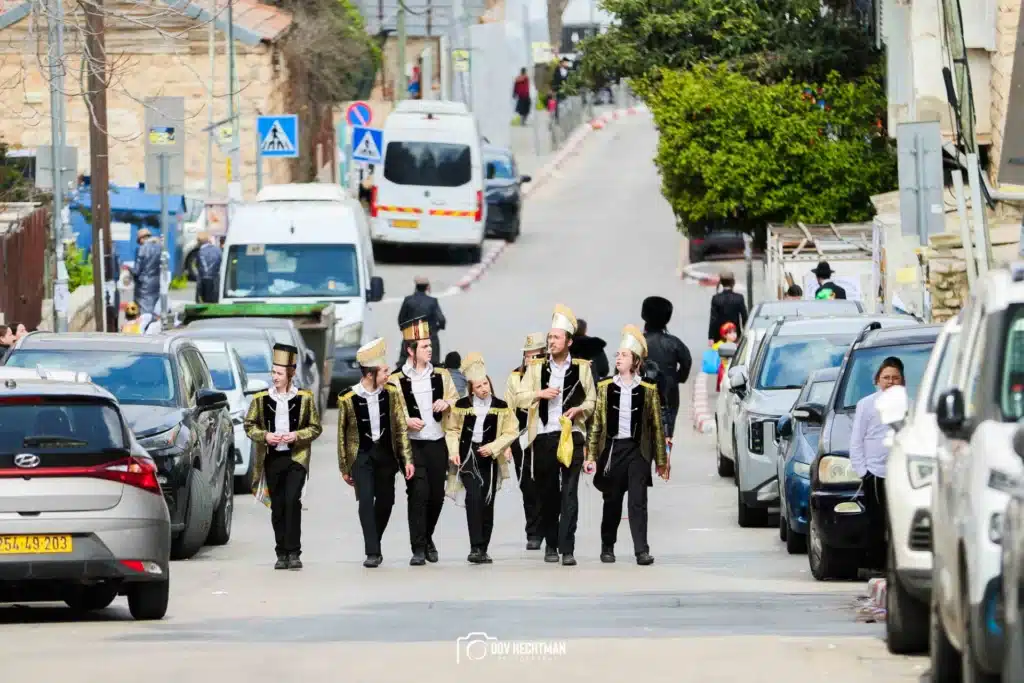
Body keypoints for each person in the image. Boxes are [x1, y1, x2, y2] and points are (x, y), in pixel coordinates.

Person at [515, 304, 597, 566]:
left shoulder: (583, 368)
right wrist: (539, 394)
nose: (551, 341)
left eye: (556, 337)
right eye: (549, 337)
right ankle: (551, 543)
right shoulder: (537, 368)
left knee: (569, 493)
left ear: (569, 342)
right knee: (548, 493)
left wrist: (578, 409)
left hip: (572, 435)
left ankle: (567, 547)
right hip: (544, 436)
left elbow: (593, 401)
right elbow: (519, 398)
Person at [587, 325, 669, 566]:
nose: (619, 358)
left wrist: (662, 461)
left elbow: (656, 427)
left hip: (638, 453)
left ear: (635, 362)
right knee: (612, 501)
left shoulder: (648, 390)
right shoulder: (604, 387)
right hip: (613, 451)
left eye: (624, 355)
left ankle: (641, 550)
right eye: (618, 355)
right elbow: (597, 425)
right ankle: (607, 545)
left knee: (638, 501)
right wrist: (592, 455)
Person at [244, 344, 324, 570]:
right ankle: (281, 552)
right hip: (271, 459)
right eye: (273, 372)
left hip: (295, 458)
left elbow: (315, 428)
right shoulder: (260, 399)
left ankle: (294, 552)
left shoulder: (305, 398)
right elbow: (250, 426)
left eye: (279, 373)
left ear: (290, 373)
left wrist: (296, 436)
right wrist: (266, 436)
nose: (275, 377)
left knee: (292, 502)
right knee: (278, 505)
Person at [337, 338, 415, 568]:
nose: (388, 374)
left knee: (386, 501)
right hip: (361, 455)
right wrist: (344, 467)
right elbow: (342, 435)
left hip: (386, 455)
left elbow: (401, 427)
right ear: (370, 374)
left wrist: (407, 459)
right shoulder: (348, 398)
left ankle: (375, 540)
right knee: (365, 502)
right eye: (384, 370)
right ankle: (372, 551)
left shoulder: (391, 392)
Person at [389, 316, 458, 565]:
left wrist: (446, 402)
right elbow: (391, 411)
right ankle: (418, 548)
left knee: (436, 496)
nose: (430, 349)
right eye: (425, 346)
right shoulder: (396, 379)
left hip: (437, 440)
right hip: (412, 445)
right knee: (418, 492)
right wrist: (406, 421)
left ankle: (427, 537)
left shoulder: (441, 374)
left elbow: (456, 400)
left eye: (430, 345)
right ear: (410, 350)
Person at [446, 353, 518, 564]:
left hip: (490, 458)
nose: (483, 389)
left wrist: (495, 447)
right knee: (474, 497)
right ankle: (475, 546)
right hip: (469, 455)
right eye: (478, 386)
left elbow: (511, 431)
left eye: (485, 384)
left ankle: (483, 547)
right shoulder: (462, 405)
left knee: (487, 500)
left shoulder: (501, 406)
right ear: (472, 388)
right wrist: (454, 451)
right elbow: (452, 430)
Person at [850, 356, 903, 568]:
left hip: (898, 473)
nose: (890, 381)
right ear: (878, 381)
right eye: (886, 377)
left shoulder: (909, 404)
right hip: (874, 473)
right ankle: (876, 565)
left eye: (895, 378)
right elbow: (856, 440)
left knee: (897, 521)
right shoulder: (866, 405)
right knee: (875, 521)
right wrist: (863, 471)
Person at [505, 331, 547, 550]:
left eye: (535, 356)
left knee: (547, 484)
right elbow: (509, 409)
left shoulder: (550, 376)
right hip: (521, 438)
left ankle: (550, 528)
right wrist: (507, 443)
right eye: (527, 355)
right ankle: (533, 531)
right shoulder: (515, 377)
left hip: (546, 436)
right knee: (527, 486)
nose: (530, 360)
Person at [641, 296, 692, 446]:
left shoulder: (637, 342)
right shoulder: (674, 342)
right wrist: (678, 378)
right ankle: (664, 465)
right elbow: (686, 361)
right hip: (669, 392)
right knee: (666, 433)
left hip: (640, 390)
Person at [396, 276, 447, 363]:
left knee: (404, 363)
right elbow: (441, 319)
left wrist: (406, 330)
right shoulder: (432, 301)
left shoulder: (408, 300)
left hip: (411, 336)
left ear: (416, 286)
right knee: (432, 364)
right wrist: (436, 329)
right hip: (428, 336)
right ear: (427, 287)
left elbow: (401, 319)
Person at [130, 228, 162, 329]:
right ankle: (152, 329)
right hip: (155, 283)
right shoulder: (159, 247)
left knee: (143, 311)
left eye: (139, 241)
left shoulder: (142, 248)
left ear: (142, 239)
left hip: (143, 285)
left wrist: (128, 269)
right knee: (152, 308)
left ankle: (143, 332)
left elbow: (137, 270)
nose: (139, 243)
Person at [707, 271, 747, 346]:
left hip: (719, 336)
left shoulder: (716, 298)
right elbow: (744, 317)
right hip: (734, 335)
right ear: (733, 282)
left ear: (721, 283)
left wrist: (711, 337)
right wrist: (745, 334)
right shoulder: (739, 298)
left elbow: (713, 319)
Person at [195, 231, 222, 304]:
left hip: (203, 283)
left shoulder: (200, 252)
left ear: (199, 242)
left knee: (202, 305)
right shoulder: (218, 250)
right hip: (215, 282)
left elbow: (197, 265)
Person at [712, 322, 738, 391]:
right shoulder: (720, 344)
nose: (733, 335)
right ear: (724, 335)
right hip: (724, 367)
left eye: (734, 332)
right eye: (730, 333)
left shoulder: (737, 344)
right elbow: (714, 351)